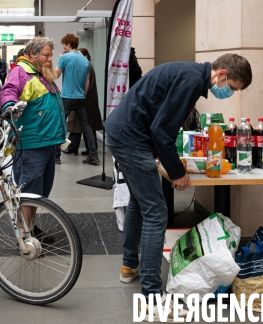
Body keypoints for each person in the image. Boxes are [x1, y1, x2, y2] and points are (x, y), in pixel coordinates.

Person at [104, 54, 252, 318]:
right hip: (130, 139)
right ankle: (152, 299)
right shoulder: (192, 81)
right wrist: (177, 172)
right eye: (233, 87)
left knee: (140, 201)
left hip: (125, 134)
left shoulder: (190, 73)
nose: (230, 92)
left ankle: (129, 266)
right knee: (157, 212)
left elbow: (160, 120)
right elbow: (162, 128)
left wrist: (164, 155)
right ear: (223, 74)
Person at [0, 37, 65, 202]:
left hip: (47, 142)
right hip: (32, 144)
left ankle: (30, 226)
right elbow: (8, 91)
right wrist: (9, 107)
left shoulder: (40, 72)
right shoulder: (21, 72)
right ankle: (24, 228)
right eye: (46, 55)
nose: (50, 59)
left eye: (51, 55)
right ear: (32, 54)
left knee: (40, 194)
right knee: (29, 194)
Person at [54, 33, 100, 165]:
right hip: (80, 99)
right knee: (87, 127)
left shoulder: (65, 57)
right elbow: (87, 82)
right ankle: (93, 155)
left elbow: (55, 75)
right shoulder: (85, 60)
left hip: (67, 98)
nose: (64, 47)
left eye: (64, 44)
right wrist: (82, 96)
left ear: (68, 44)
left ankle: (56, 157)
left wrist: (60, 58)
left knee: (60, 125)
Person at [62, 48, 102, 155]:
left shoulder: (86, 66)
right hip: (85, 100)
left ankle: (71, 149)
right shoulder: (87, 66)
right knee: (85, 127)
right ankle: (90, 151)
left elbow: (87, 84)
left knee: (77, 126)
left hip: (83, 100)